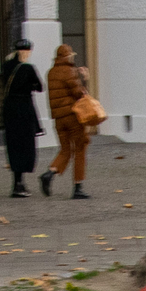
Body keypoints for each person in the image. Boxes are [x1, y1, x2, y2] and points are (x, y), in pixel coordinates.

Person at [43, 44, 92, 199]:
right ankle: (78, 187)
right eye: (71, 55)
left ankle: (50, 172)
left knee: (65, 150)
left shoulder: (51, 73)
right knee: (80, 148)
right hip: (72, 117)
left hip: (58, 118)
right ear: (68, 56)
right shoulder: (70, 72)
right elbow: (78, 93)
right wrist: (85, 79)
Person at [0, 39, 42, 197]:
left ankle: (17, 182)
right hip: (24, 109)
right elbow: (39, 87)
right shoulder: (28, 68)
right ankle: (20, 184)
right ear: (28, 51)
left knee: (13, 144)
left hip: (9, 109)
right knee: (25, 145)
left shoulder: (6, 66)